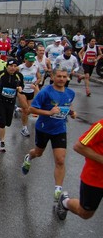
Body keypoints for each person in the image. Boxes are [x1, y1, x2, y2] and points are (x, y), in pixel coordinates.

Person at [21, 67, 76, 201]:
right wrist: (49, 113)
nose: (62, 79)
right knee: (38, 153)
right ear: (52, 77)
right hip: (44, 128)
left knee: (60, 159)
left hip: (60, 130)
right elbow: (31, 109)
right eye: (59, 76)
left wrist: (72, 112)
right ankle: (29, 157)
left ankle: (58, 189)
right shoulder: (45, 92)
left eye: (64, 76)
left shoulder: (70, 92)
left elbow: (68, 105)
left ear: (67, 78)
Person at [56, 118, 103, 221]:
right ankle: (65, 202)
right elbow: (79, 146)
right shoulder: (100, 126)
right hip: (95, 179)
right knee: (85, 213)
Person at [0, 59, 24, 152]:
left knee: (8, 123)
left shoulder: (19, 75)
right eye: (11, 66)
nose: (13, 68)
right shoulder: (1, 74)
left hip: (11, 102)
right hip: (1, 100)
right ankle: (2, 142)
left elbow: (22, 85)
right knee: (3, 122)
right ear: (7, 66)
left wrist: (20, 88)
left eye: (15, 66)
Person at [18, 53, 41, 137]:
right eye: (29, 61)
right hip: (22, 91)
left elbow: (39, 78)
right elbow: (14, 77)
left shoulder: (35, 67)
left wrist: (35, 84)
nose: (31, 63)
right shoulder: (20, 68)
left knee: (29, 110)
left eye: (32, 61)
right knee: (26, 109)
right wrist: (18, 86)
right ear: (25, 59)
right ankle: (24, 128)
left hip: (30, 90)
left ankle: (18, 109)